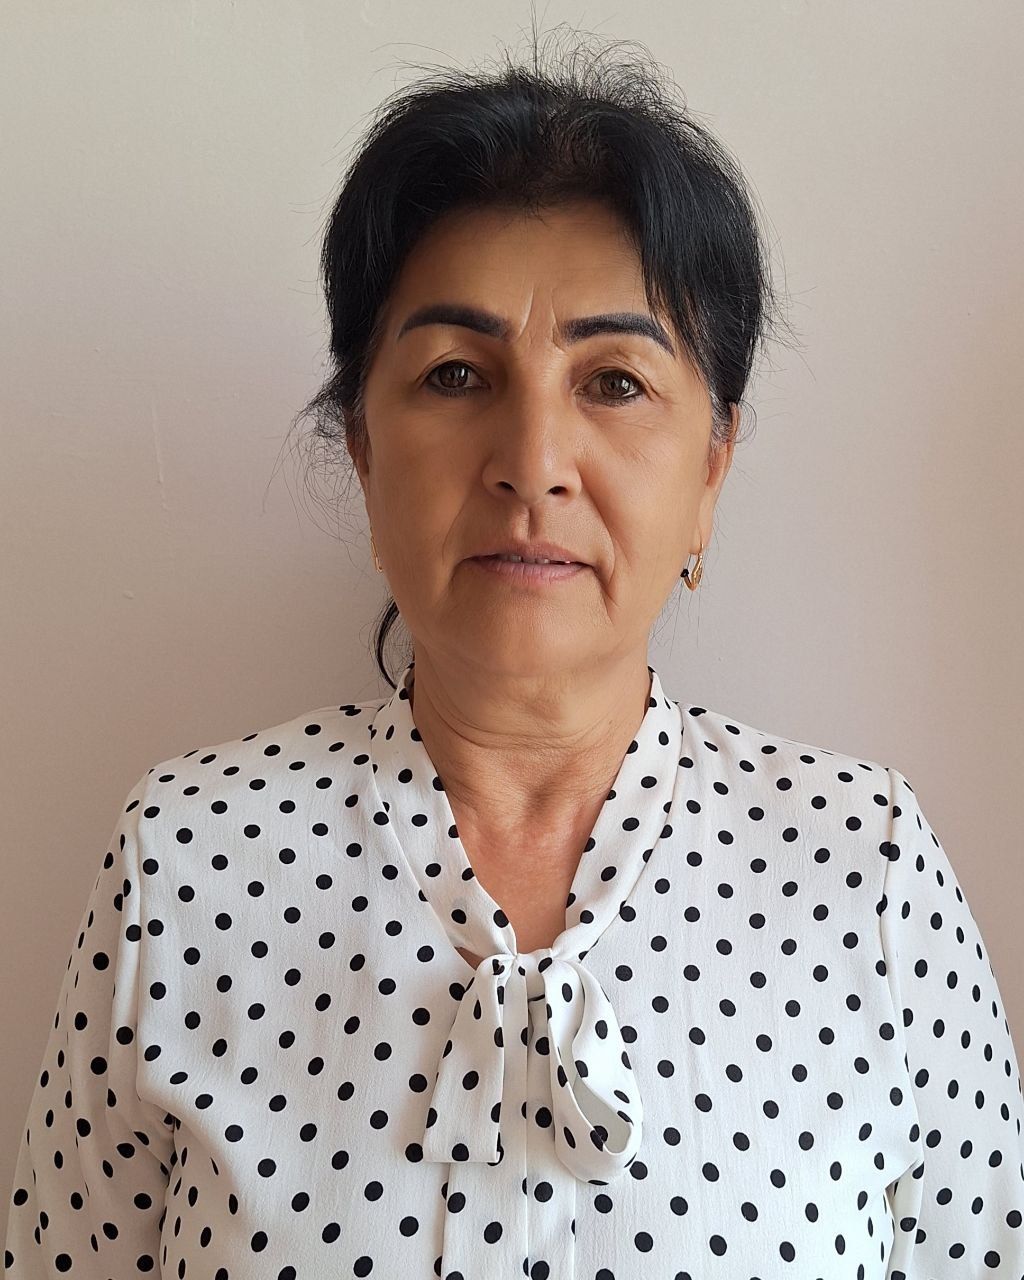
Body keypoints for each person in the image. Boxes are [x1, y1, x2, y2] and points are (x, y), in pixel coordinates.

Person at [5, 26, 1023, 1280]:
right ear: (362, 446)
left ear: (711, 468)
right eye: (453, 374)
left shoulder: (864, 871)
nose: (532, 462)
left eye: (613, 382)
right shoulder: (185, 864)